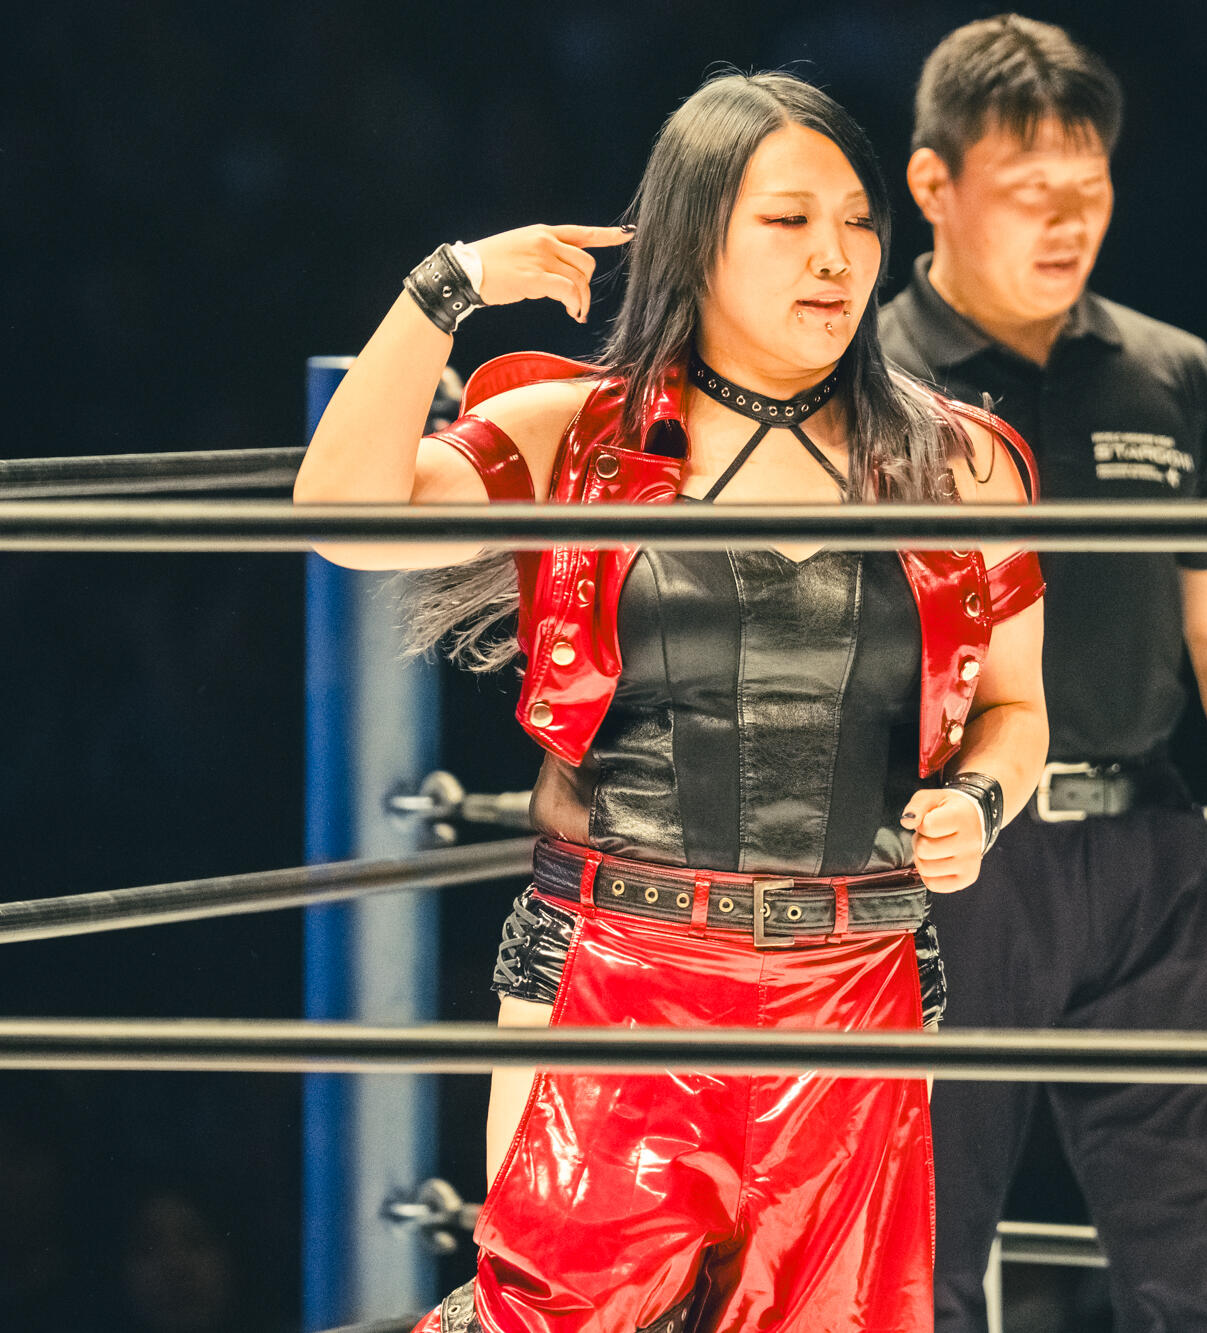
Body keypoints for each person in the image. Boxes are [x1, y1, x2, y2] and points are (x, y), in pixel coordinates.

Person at [295, 70, 1049, 1333]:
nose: (835, 255)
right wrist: (448, 286)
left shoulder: (961, 462)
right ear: (697, 241)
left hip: (853, 986)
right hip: (615, 971)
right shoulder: (576, 434)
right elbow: (340, 517)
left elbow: (1017, 711)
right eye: (788, 220)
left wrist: (976, 800)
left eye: (856, 220)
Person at [878, 17, 1207, 1333]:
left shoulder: (1167, 370)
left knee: (1191, 1231)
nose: (1067, 221)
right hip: (941, 844)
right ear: (934, 185)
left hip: (1144, 840)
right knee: (921, 1235)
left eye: (1088, 189)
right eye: (1029, 189)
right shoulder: (864, 378)